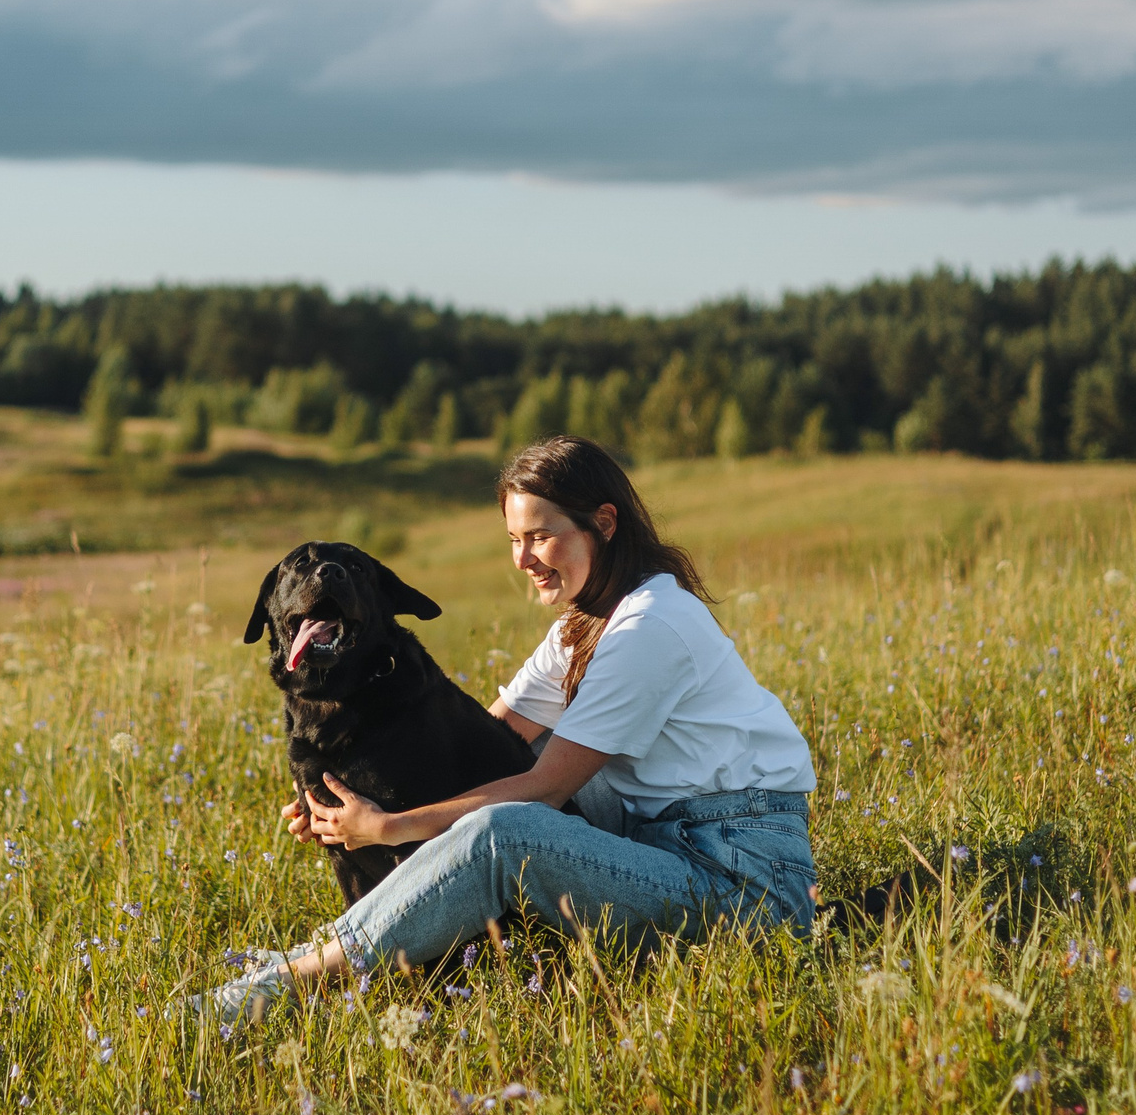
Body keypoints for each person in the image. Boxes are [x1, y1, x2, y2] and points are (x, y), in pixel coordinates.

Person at [179, 434, 818, 1023]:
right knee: (518, 757)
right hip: (660, 839)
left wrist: (389, 826)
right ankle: (387, 936)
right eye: (515, 539)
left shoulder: (648, 627)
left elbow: (542, 789)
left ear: (604, 523)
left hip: (740, 885)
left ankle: (287, 984)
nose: (523, 559)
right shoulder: (585, 625)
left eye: (540, 537)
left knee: (502, 832)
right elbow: (480, 740)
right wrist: (341, 804)